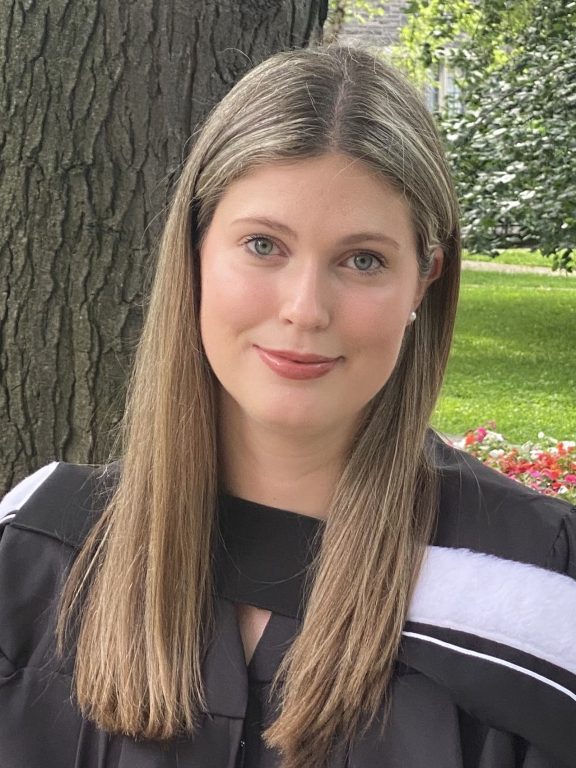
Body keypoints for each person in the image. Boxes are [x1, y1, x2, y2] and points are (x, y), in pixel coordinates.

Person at [0, 45, 574, 768]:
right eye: (263, 245)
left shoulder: (538, 597)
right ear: (195, 253)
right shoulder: (35, 559)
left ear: (423, 280)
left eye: (363, 260)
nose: (305, 309)